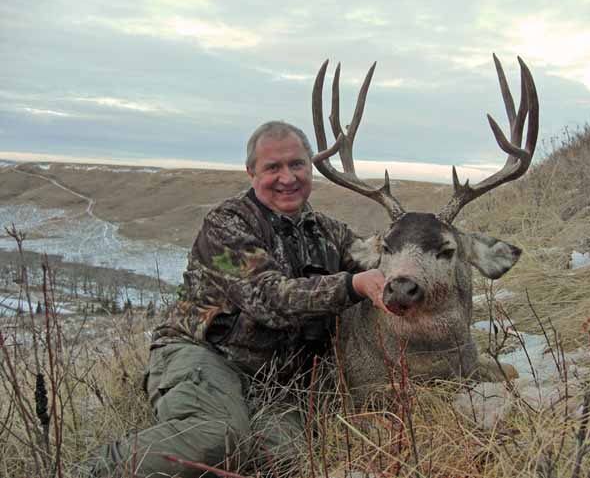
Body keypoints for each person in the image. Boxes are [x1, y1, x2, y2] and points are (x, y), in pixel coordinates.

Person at [88, 121, 387, 477]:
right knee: (218, 437)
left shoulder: (329, 233)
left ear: (311, 167)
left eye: (296, 165)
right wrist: (352, 285)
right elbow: (266, 297)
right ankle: (90, 470)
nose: (287, 178)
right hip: (205, 354)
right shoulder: (227, 224)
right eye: (272, 167)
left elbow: (378, 262)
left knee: (285, 459)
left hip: (275, 382)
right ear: (251, 173)